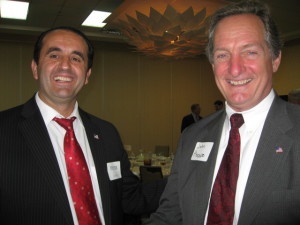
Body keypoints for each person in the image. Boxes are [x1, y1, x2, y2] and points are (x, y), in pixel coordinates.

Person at [150, 0, 300, 224]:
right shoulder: (192, 137)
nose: (235, 68)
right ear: (212, 65)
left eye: (249, 52)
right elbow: (171, 215)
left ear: (275, 59)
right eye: (222, 55)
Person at [0, 26, 166, 225]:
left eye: (76, 58)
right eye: (54, 55)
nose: (65, 66)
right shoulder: (4, 130)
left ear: (87, 75)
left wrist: (190, 175)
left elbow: (129, 197)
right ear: (35, 68)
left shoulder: (106, 133)